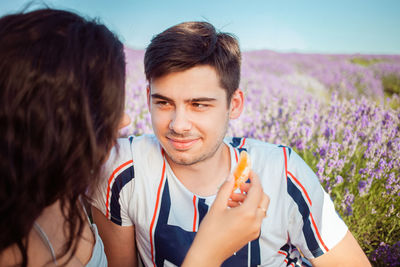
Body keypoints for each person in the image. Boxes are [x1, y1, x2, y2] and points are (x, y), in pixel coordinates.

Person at [0, 9, 268, 267]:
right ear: (43, 117)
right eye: (104, 107)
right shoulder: (12, 248)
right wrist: (208, 251)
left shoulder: (64, 193)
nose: (125, 121)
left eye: (199, 104)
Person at [91, 21, 372, 266]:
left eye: (199, 105)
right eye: (163, 103)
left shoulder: (281, 171)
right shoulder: (124, 170)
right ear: (148, 96)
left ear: (234, 104)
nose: (178, 124)